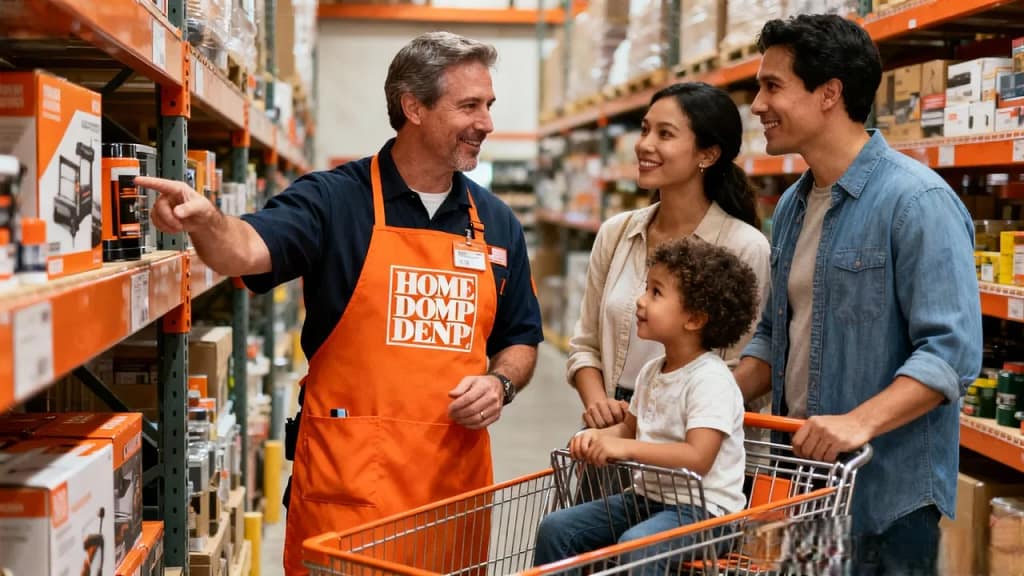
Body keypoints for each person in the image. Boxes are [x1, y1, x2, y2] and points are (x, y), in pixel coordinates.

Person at [137, 32, 543, 575]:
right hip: (349, 493)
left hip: (451, 494)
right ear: (413, 107)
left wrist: (502, 383)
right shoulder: (334, 199)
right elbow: (244, 250)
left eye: (488, 106)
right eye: (469, 105)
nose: (487, 122)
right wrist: (208, 221)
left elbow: (521, 337)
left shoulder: (496, 223)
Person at [733, 14, 982, 574]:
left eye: (772, 86)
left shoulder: (916, 202)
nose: (756, 104)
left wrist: (858, 421)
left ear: (829, 94)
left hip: (886, 498)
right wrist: (713, 395)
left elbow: (950, 354)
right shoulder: (796, 204)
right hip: (805, 486)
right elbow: (780, 332)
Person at [534, 237, 758, 574]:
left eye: (656, 292)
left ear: (694, 319)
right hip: (647, 500)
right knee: (557, 528)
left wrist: (622, 448)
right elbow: (628, 429)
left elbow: (698, 457)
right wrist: (597, 438)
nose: (640, 301)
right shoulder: (653, 371)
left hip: (706, 512)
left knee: (637, 548)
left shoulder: (711, 380)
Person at [566, 82, 770, 436]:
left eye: (665, 134)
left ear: (707, 154)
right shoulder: (616, 234)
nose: (645, 144)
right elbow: (585, 345)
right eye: (645, 129)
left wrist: (652, 420)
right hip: (611, 433)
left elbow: (748, 366)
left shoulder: (744, 246)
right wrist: (598, 404)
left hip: (691, 443)